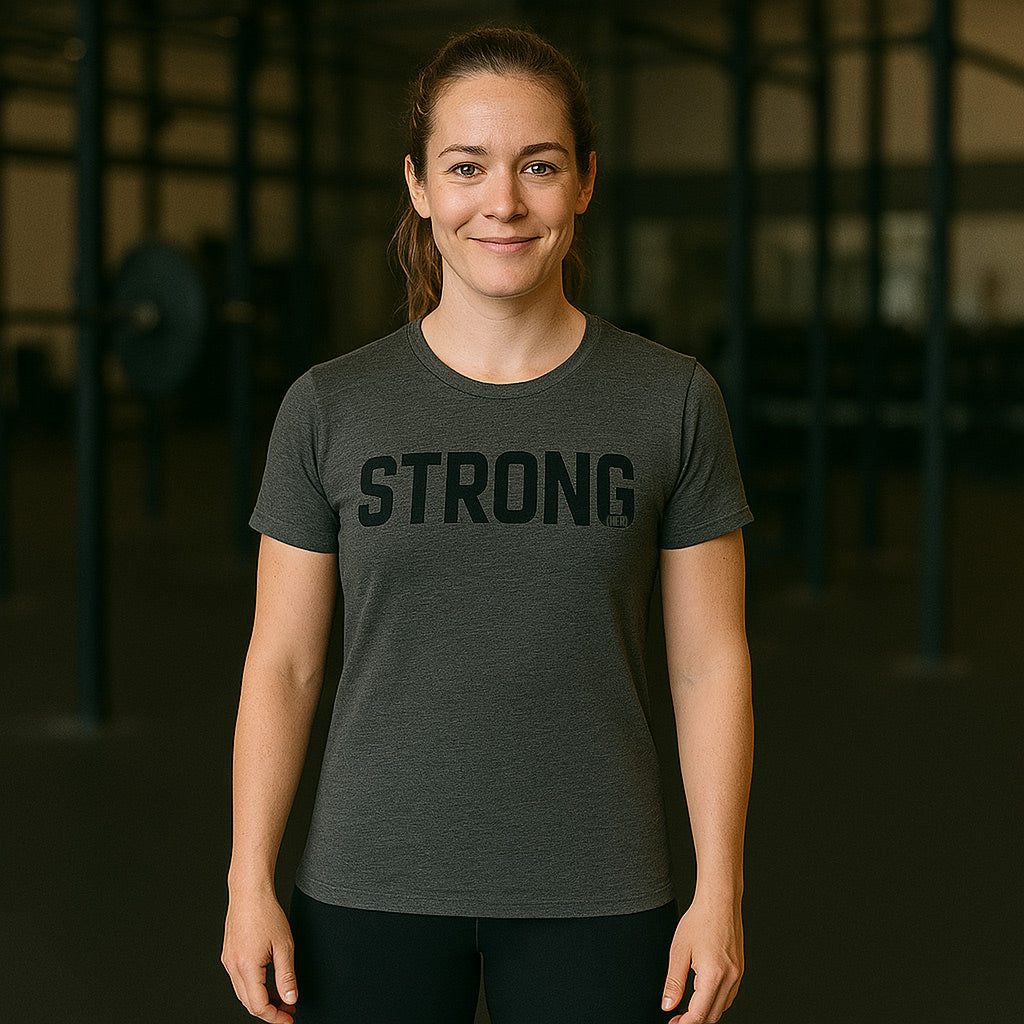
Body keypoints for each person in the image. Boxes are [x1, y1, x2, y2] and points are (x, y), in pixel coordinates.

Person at [221, 25, 753, 1024]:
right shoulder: (331, 407)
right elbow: (282, 662)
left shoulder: (669, 401)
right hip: (366, 880)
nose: (502, 202)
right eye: (466, 166)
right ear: (419, 186)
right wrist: (248, 878)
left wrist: (719, 891)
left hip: (599, 885)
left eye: (537, 165)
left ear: (584, 181)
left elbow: (710, 663)